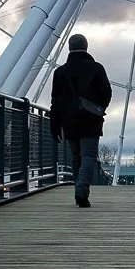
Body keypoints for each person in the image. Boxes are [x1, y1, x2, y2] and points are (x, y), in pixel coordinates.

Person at [49, 33, 112, 208]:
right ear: (86, 47)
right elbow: (106, 92)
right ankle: (81, 188)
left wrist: (54, 125)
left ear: (69, 47)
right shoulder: (96, 68)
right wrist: (98, 109)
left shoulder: (60, 72)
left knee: (76, 157)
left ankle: (79, 189)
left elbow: (55, 100)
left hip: (69, 120)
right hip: (91, 119)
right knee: (89, 156)